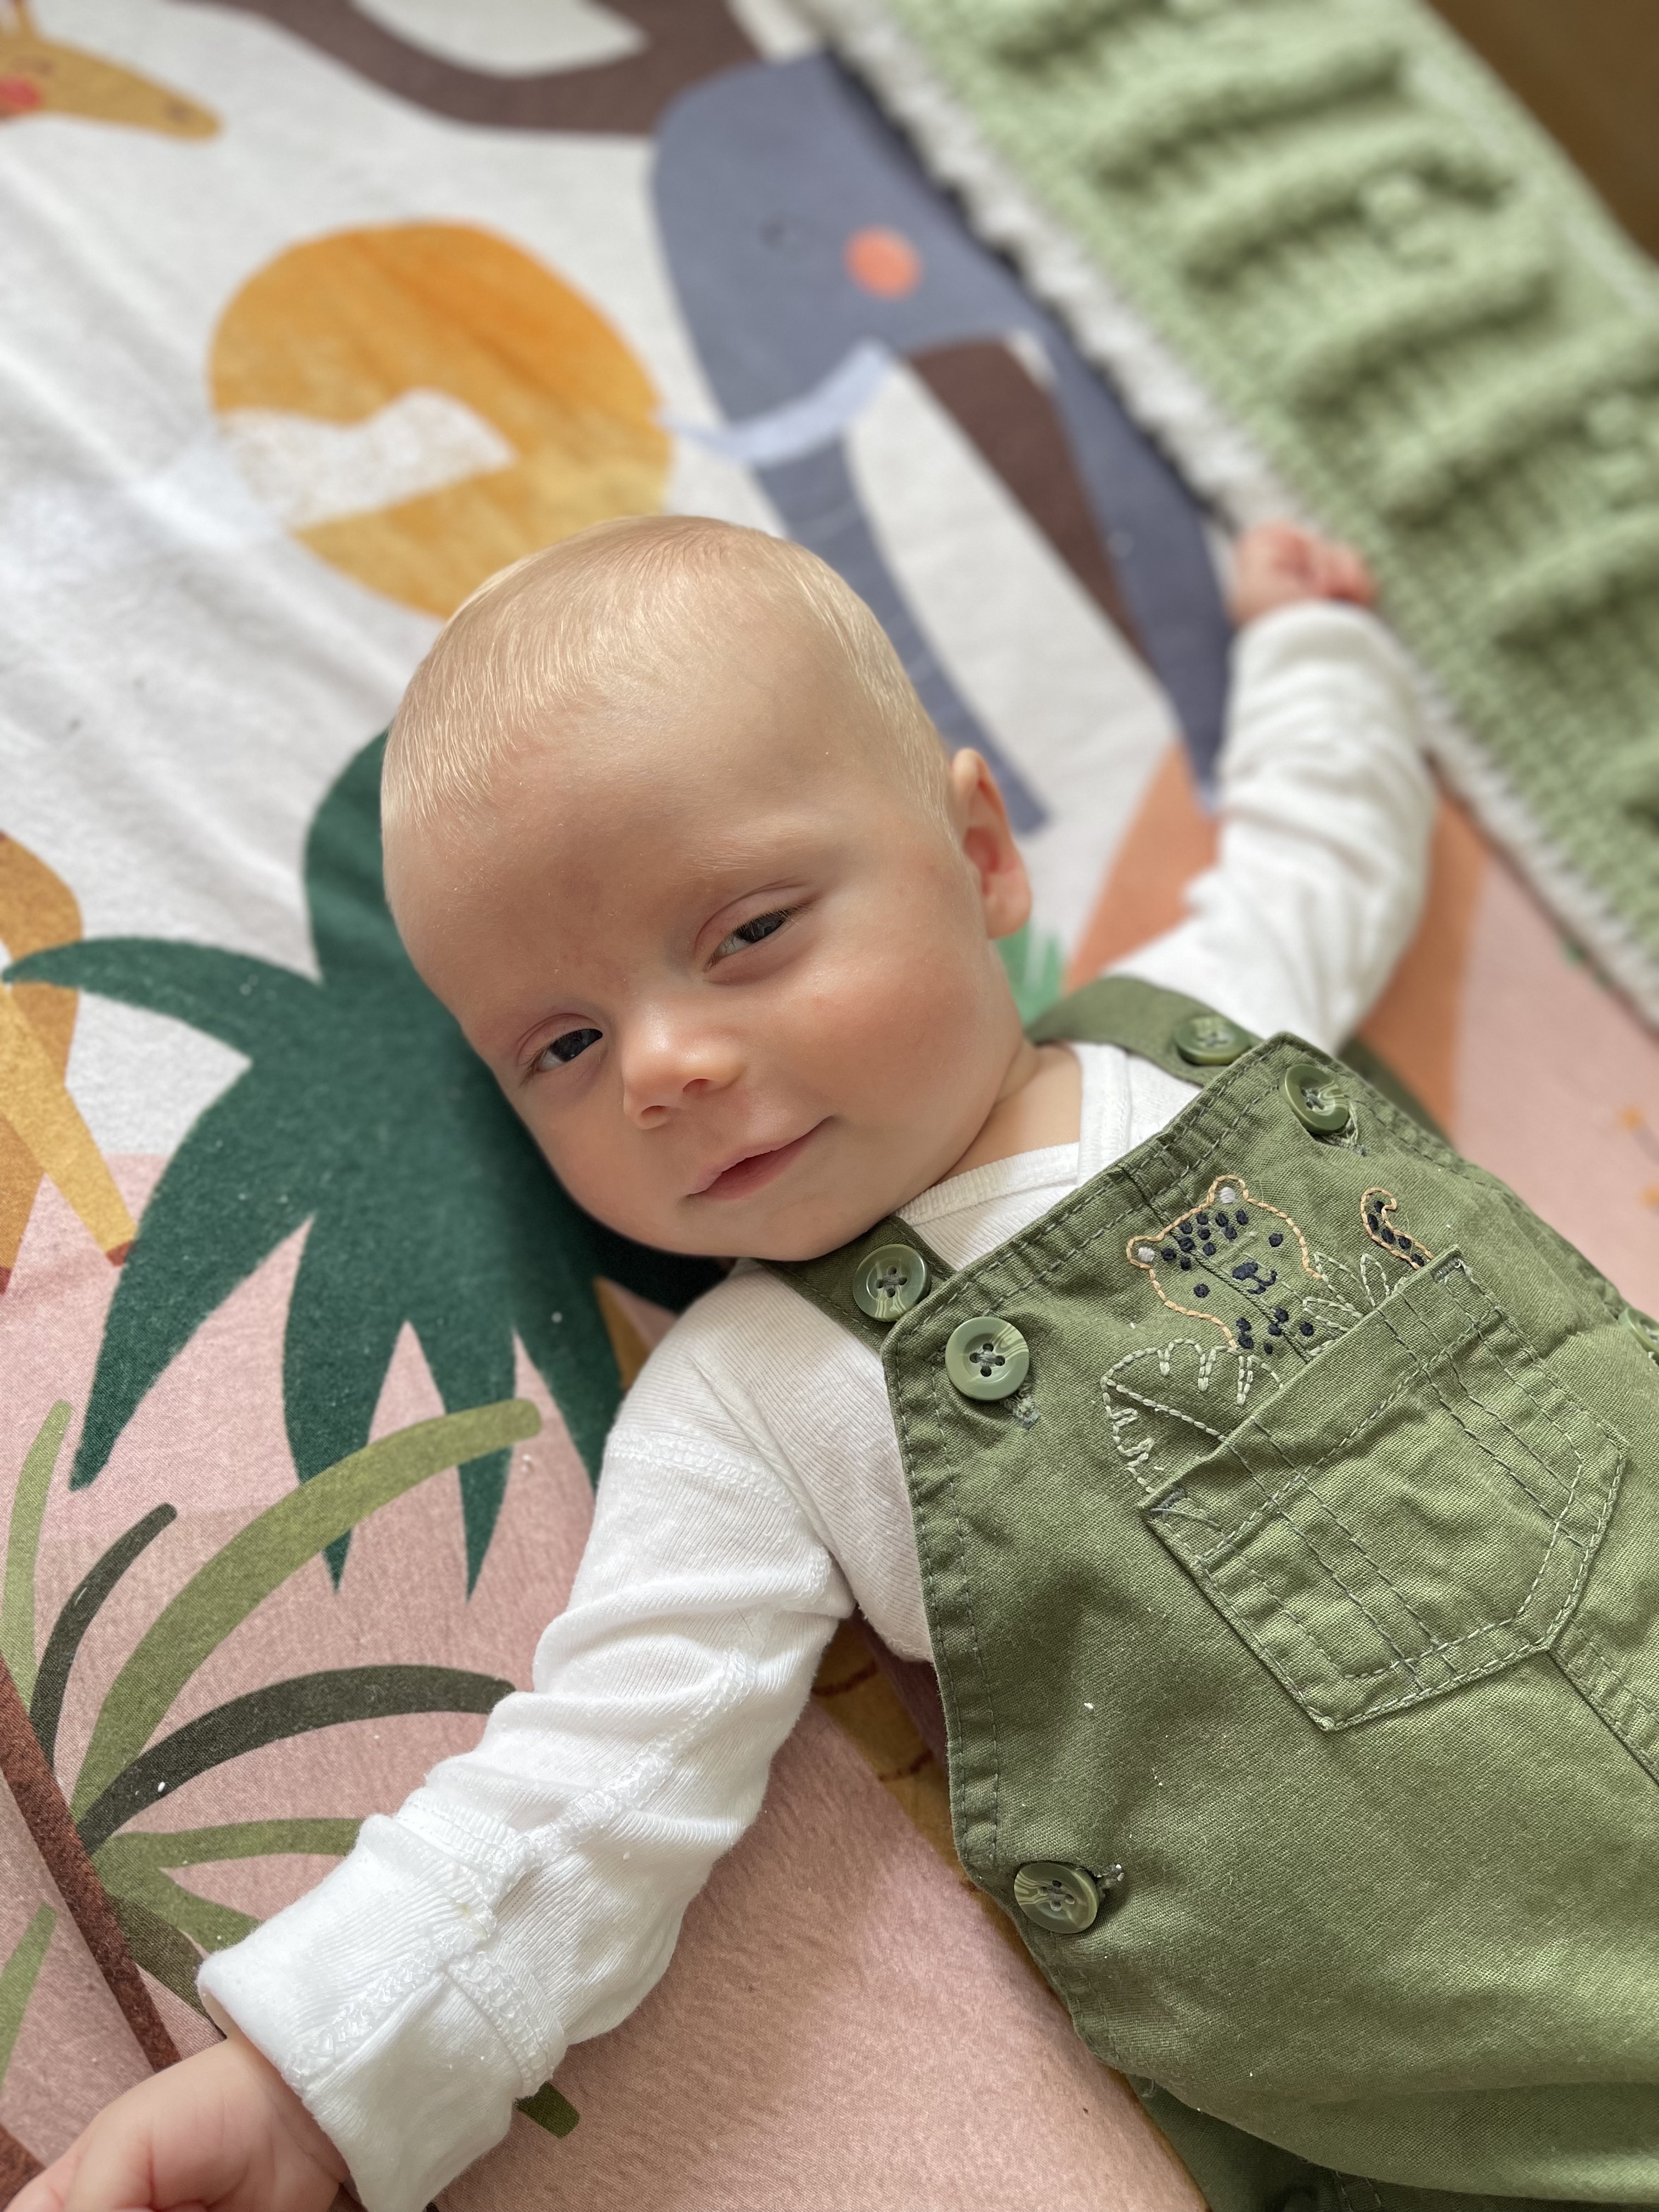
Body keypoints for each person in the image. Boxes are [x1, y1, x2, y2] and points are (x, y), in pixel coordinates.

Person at [25, 517, 1659, 2212]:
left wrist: (1313, 645)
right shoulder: (758, 1398)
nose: (663, 1064)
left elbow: (1325, 847)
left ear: (980, 854)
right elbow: (592, 1788)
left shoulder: (1200, 1021)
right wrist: (305, 2093)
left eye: (745, 933)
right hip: (1482, 2096)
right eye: (564, 1044)